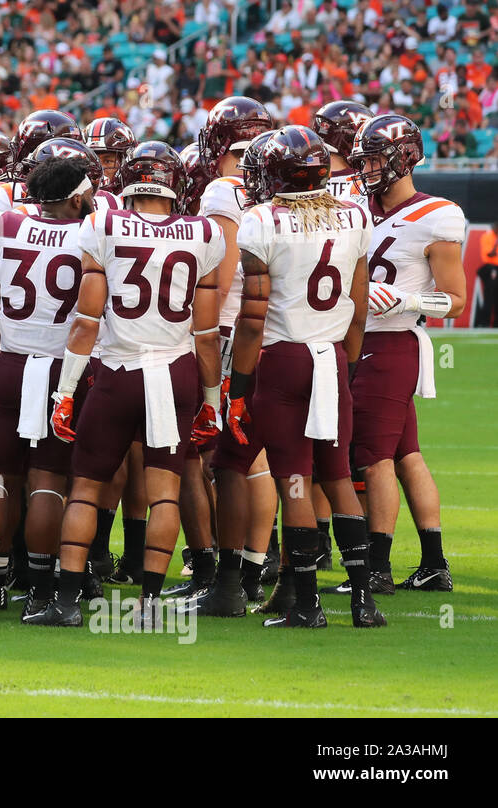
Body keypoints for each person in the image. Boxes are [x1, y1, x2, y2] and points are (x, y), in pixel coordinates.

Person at [43, 142, 225, 626]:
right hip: (175, 372)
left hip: (116, 372)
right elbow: (206, 335)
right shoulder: (204, 232)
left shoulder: (102, 224)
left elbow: (86, 322)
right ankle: (147, 605)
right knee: (165, 491)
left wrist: (64, 392)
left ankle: (64, 604)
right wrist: (212, 400)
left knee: (84, 490)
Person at [223, 124, 381, 628]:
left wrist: (240, 387)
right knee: (337, 478)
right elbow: (357, 309)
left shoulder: (262, 220)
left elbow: (251, 321)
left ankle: (308, 605)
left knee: (294, 479)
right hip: (332, 355)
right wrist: (348, 368)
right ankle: (363, 602)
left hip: (284, 359)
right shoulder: (356, 214)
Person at [0, 155, 95, 622]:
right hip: (62, 371)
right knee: (48, 480)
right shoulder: (93, 232)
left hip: (9, 365)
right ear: (74, 197)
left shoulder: (6, 224)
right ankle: (43, 591)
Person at [345, 114, 467, 593]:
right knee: (405, 454)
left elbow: (454, 300)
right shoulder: (358, 205)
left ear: (404, 157)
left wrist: (409, 300)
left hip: (391, 342)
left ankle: (377, 566)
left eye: (375, 157)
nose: (367, 168)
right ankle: (434, 563)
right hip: (361, 338)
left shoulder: (437, 214)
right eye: (364, 159)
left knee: (371, 456)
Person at [198, 97, 280, 605]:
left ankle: (233, 576)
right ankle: (256, 565)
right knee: (263, 459)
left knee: (229, 459)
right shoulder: (274, 186)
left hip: (234, 332)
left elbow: (224, 276)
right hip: (281, 333)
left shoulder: (224, 190)